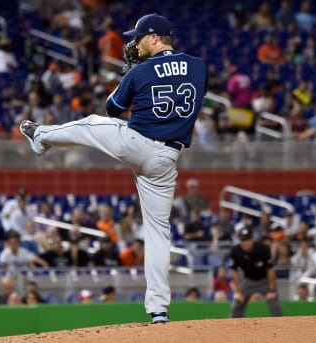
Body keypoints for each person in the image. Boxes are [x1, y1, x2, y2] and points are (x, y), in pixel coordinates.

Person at [19, 13, 207, 324]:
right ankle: (158, 310)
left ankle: (41, 137)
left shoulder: (142, 69)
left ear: (154, 37)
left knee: (92, 124)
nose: (133, 43)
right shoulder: (199, 67)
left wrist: (133, 74)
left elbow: (113, 108)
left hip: (138, 143)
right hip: (167, 159)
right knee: (159, 233)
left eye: (138, 37)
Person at [229, 227, 283, 318]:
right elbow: (234, 271)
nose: (245, 242)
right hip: (248, 280)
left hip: (264, 280)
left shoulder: (263, 249)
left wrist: (271, 290)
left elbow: (270, 270)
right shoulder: (235, 251)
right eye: (242, 240)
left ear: (252, 239)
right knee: (236, 305)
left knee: (274, 304)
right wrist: (238, 291)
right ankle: (232, 328)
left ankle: (282, 327)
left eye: (247, 239)